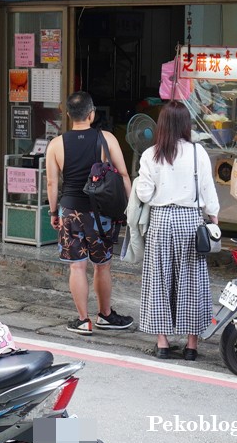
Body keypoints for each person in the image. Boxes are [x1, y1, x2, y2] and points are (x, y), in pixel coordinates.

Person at [135, 101, 219, 360]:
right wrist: (214, 219)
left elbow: (144, 194)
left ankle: (162, 343)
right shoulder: (197, 152)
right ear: (186, 124)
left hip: (161, 220)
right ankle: (191, 346)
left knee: (159, 280)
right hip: (190, 221)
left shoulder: (151, 154)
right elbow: (207, 189)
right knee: (192, 281)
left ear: (160, 125)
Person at [45, 91, 134, 336]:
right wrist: (130, 209)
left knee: (77, 267)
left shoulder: (56, 144)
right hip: (100, 213)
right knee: (102, 266)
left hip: (70, 210)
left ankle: (83, 320)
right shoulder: (106, 139)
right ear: (92, 114)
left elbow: (52, 183)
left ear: (68, 115)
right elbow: (124, 175)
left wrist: (53, 211)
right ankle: (105, 315)